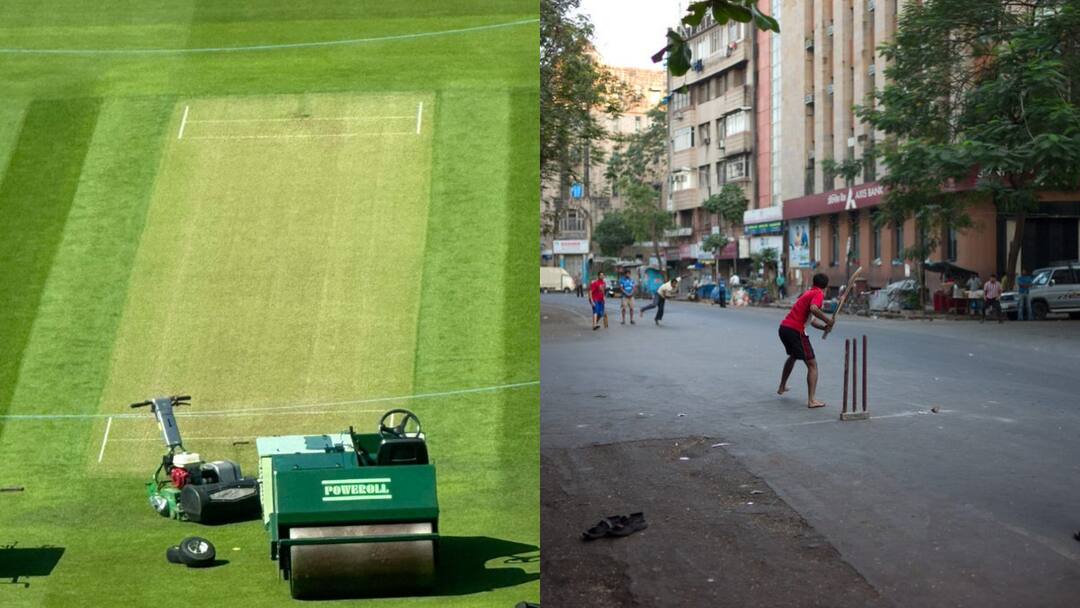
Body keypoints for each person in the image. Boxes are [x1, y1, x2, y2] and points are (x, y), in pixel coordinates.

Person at [777, 272, 834, 408]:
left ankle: (782, 386)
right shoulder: (818, 294)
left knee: (793, 356)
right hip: (795, 331)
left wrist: (824, 327)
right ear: (826, 286)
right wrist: (827, 319)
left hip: (784, 328)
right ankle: (812, 400)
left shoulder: (808, 293)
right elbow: (814, 309)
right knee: (812, 364)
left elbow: (811, 320)